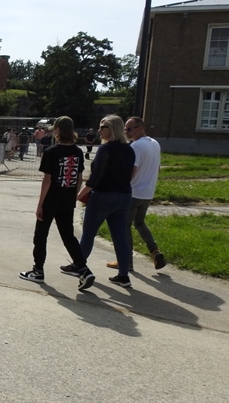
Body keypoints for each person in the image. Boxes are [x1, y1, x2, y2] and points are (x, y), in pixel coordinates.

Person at [19, 116, 94, 290]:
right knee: (68, 236)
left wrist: (40, 204)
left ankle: (38, 270)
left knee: (40, 235)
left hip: (51, 200)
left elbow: (47, 180)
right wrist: (73, 196)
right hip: (67, 201)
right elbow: (79, 179)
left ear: (58, 130)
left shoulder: (51, 152)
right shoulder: (77, 152)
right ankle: (83, 268)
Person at [70, 115, 136, 288]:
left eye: (103, 127)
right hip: (124, 197)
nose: (99, 130)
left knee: (88, 234)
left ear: (113, 129)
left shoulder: (105, 149)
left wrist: (77, 196)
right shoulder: (129, 150)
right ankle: (124, 275)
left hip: (103, 196)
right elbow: (131, 174)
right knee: (120, 236)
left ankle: (79, 266)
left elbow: (95, 178)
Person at [106, 117, 166, 272]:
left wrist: (120, 185)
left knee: (124, 225)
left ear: (140, 128)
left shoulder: (136, 146)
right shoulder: (155, 144)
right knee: (139, 223)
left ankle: (126, 261)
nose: (126, 132)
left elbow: (131, 170)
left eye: (129, 129)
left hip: (133, 192)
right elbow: (157, 168)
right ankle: (154, 251)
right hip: (147, 193)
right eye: (125, 129)